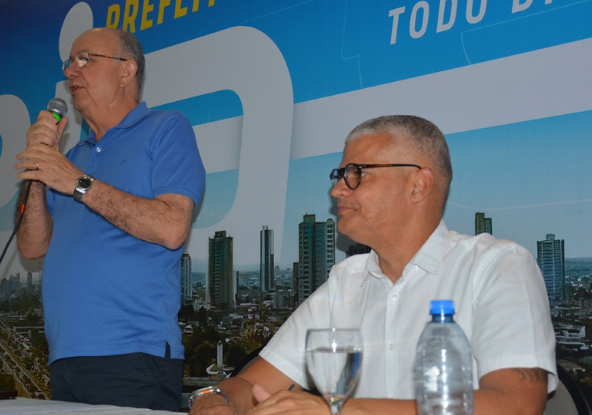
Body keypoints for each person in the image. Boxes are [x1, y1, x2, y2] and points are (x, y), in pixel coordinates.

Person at [189, 115, 556, 415]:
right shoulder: (345, 282)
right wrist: (216, 401)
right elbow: (250, 386)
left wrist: (337, 410)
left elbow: (517, 406)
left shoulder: (496, 267)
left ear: (418, 185)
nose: (337, 190)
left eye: (356, 173)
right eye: (339, 176)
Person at [14, 28, 205, 411]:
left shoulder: (166, 128)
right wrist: (39, 164)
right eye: (69, 62)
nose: (70, 72)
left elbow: (172, 227)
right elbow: (31, 246)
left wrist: (77, 183)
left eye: (84, 59)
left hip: (134, 358)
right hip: (64, 358)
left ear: (126, 71)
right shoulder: (72, 158)